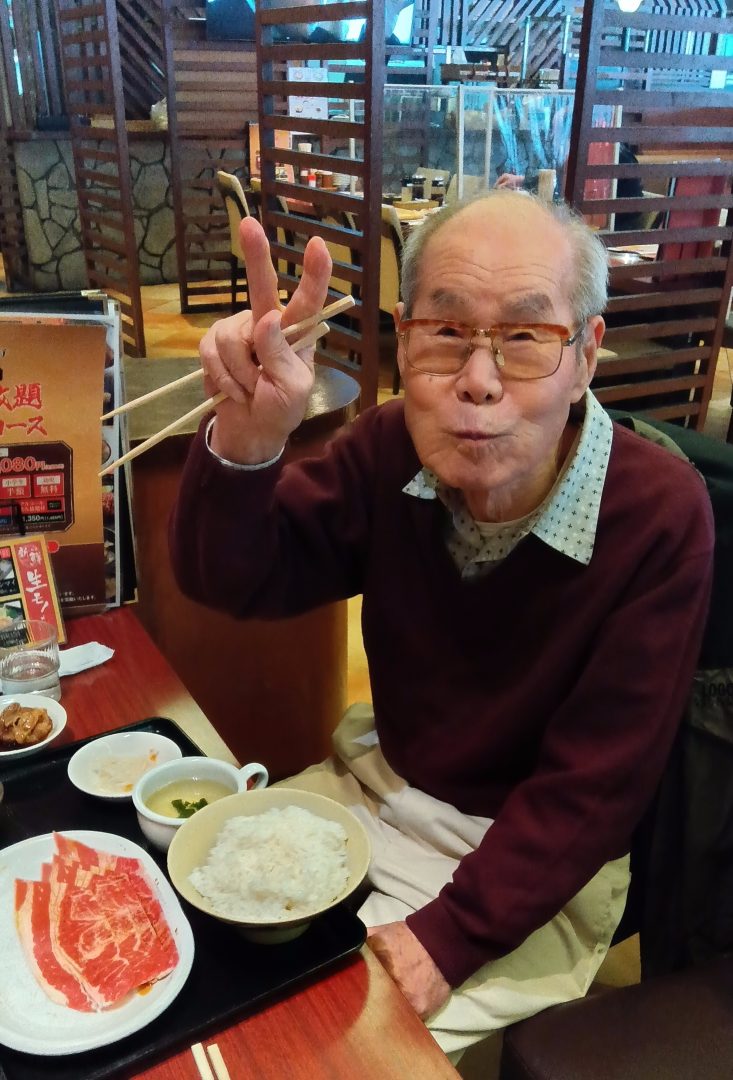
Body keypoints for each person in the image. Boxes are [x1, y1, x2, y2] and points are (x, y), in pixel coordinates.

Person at [169, 190, 713, 1064]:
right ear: (404, 338)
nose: (478, 379)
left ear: (585, 355)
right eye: (447, 331)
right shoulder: (389, 447)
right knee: (191, 965)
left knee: (325, 1055)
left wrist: (447, 939)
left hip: (528, 861)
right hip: (374, 784)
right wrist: (247, 442)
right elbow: (232, 579)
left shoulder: (657, 514)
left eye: (526, 336)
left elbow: (594, 785)